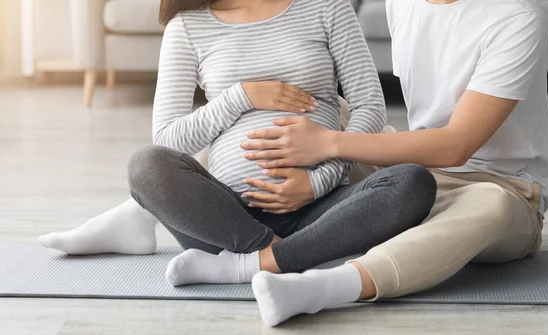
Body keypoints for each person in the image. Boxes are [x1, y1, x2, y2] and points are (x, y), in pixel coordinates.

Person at [37, 0, 437, 286]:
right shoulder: (189, 26)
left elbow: (370, 106)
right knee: (146, 164)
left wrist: (318, 182)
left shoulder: (326, 7)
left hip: (318, 210)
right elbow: (167, 138)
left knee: (412, 182)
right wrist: (242, 96)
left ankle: (252, 265)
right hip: (222, 219)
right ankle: (282, 257)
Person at [242, 0, 548, 326]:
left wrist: (326, 145)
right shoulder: (401, 3)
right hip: (412, 175)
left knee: (494, 204)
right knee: (320, 110)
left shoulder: (516, 17)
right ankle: (236, 224)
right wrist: (315, 172)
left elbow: (456, 146)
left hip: (502, 187)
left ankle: (323, 286)